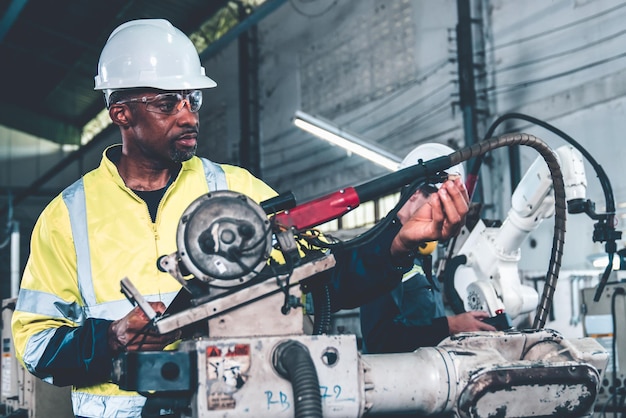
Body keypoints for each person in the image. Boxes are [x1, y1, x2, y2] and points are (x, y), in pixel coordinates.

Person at [10, 19, 470, 418]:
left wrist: (397, 242)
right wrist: (109, 339)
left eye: (192, 99)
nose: (188, 115)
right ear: (121, 113)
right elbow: (35, 346)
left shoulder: (234, 190)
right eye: (168, 103)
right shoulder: (66, 217)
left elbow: (328, 275)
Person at [360, 184, 496, 354]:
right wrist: (451, 325)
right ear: (414, 193)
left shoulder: (420, 254)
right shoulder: (379, 249)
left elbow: (424, 321)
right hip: (394, 375)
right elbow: (379, 340)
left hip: (431, 370)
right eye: (442, 202)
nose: (446, 215)